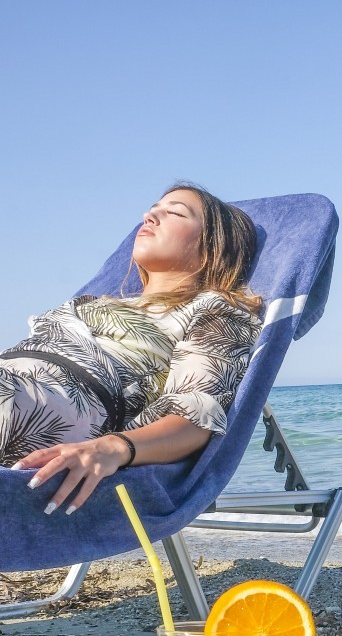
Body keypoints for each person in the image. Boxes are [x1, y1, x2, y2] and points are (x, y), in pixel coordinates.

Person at [0, 183, 262, 514]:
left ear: (213, 247)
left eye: (175, 212)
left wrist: (115, 446)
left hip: (44, 407)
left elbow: (195, 416)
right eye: (154, 207)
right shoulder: (94, 303)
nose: (149, 214)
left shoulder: (214, 310)